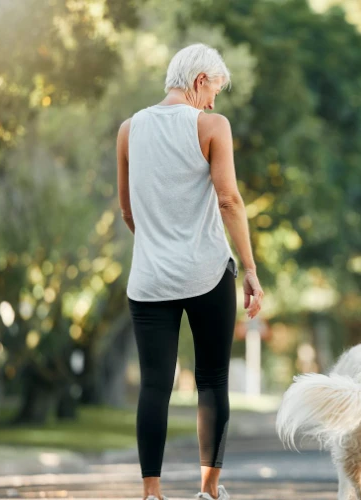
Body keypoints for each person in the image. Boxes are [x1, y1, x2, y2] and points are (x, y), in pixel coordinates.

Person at [116, 43, 264, 500]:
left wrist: (159, 246)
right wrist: (251, 269)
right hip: (205, 273)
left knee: (155, 385)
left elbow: (127, 211)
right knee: (212, 380)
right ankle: (209, 490)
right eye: (214, 90)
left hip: (148, 280)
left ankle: (151, 492)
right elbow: (229, 200)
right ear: (200, 81)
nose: (215, 101)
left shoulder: (128, 129)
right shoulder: (211, 126)